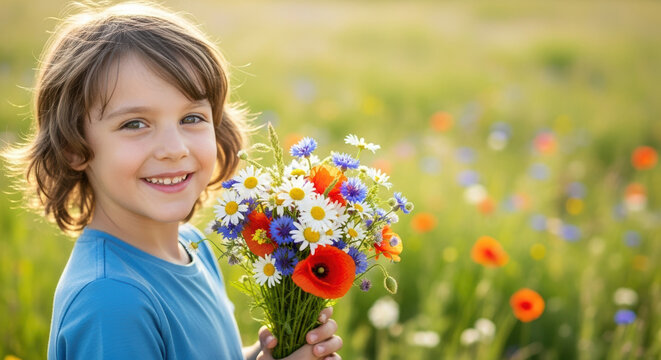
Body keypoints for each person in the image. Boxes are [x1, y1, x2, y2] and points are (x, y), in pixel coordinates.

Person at [3, 2, 342, 359]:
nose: (174, 149)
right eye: (135, 124)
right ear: (74, 147)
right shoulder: (111, 302)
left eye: (191, 118)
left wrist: (271, 350)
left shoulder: (192, 246)